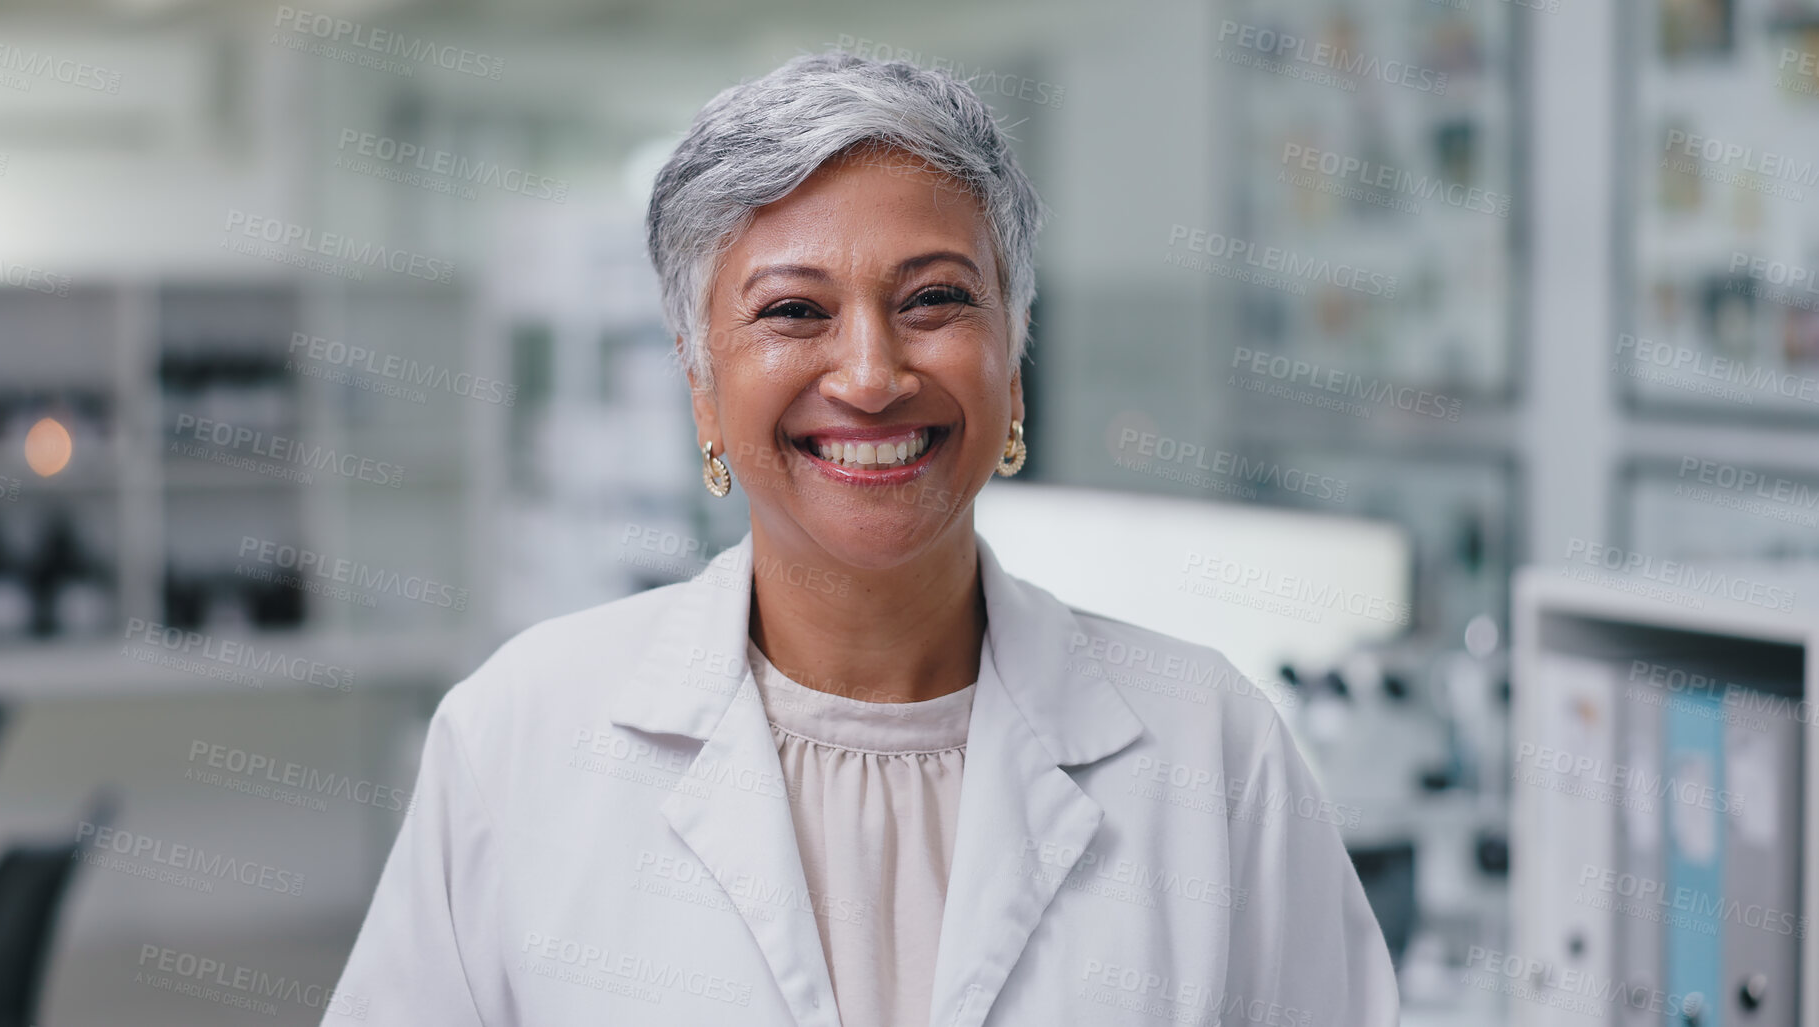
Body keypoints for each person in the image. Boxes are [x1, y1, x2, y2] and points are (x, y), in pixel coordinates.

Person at [325, 50, 1399, 1026]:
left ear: (1013, 375)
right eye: (794, 312)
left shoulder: (1213, 752)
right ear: (703, 393)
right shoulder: (518, 740)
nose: (873, 375)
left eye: (934, 299)